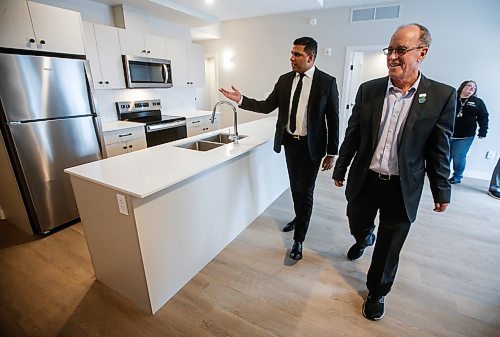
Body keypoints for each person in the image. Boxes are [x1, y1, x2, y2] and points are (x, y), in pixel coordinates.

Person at [332, 24, 456, 320]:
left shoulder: (441, 96)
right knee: (357, 220)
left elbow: (439, 149)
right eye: (390, 50)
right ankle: (363, 237)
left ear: (422, 53)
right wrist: (341, 166)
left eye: (401, 50)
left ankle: (377, 292)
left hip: (403, 187)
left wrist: (442, 189)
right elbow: (353, 134)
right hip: (366, 179)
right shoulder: (369, 90)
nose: (392, 56)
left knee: (390, 247)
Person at [219, 37, 339, 261]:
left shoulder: (327, 82)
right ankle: (299, 216)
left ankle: (299, 240)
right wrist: (241, 99)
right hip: (291, 143)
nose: (291, 58)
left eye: (297, 55)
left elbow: (333, 118)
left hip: (312, 146)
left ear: (310, 57)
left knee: (306, 191)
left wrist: (333, 152)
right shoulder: (285, 80)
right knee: (295, 186)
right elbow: (266, 106)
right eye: (291, 53)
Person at [449, 80, 489, 184]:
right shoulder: (452, 98)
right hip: (447, 133)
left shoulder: (477, 102)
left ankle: (457, 176)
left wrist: (483, 132)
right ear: (462, 86)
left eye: (474, 88)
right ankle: (441, 174)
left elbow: (484, 117)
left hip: (465, 136)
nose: (472, 88)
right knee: (444, 156)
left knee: (458, 156)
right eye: (469, 86)